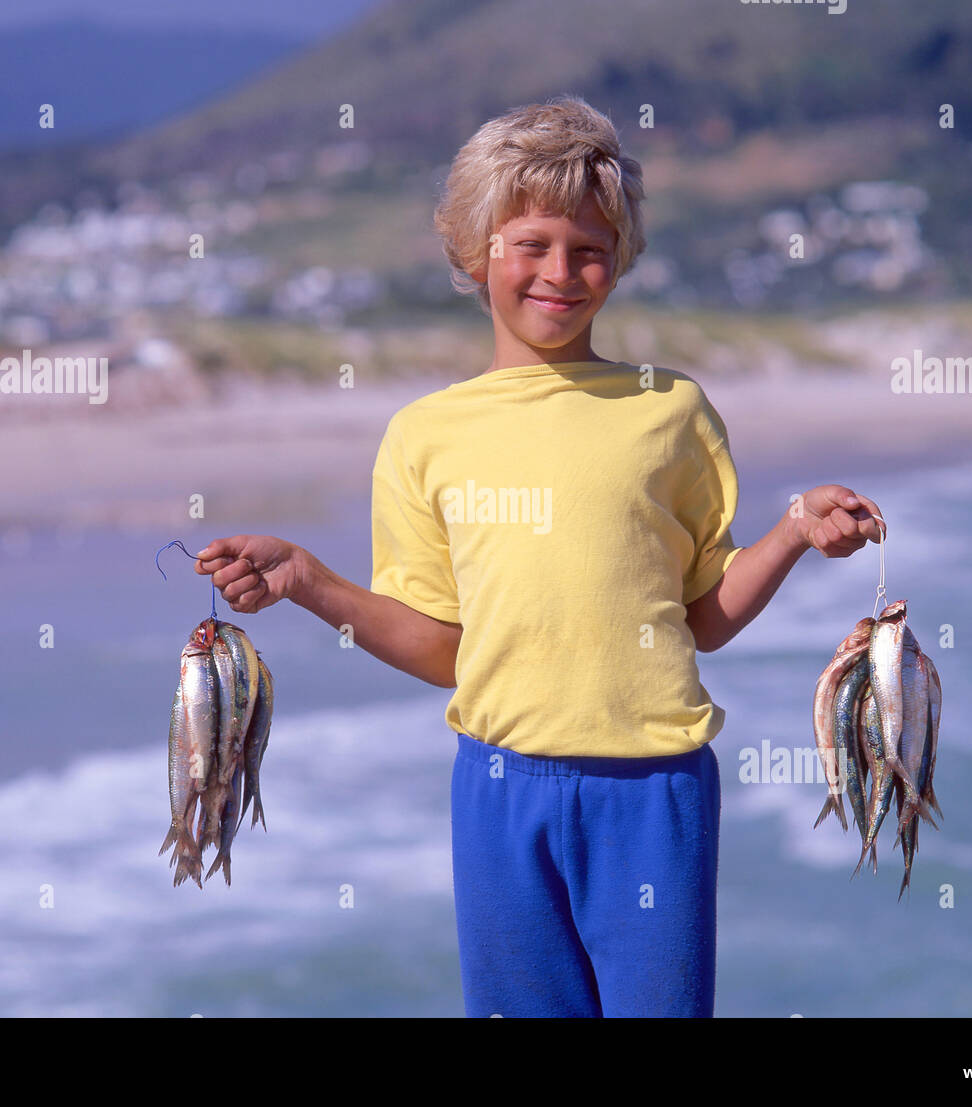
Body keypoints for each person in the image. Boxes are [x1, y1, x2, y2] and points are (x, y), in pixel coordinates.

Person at [194, 94, 883, 1017]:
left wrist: (795, 530)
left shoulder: (668, 409)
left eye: (591, 248)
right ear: (477, 252)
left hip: (655, 792)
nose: (562, 271)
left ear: (620, 260)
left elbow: (705, 619)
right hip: (498, 787)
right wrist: (309, 583)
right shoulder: (422, 436)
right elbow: (447, 648)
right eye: (533, 244)